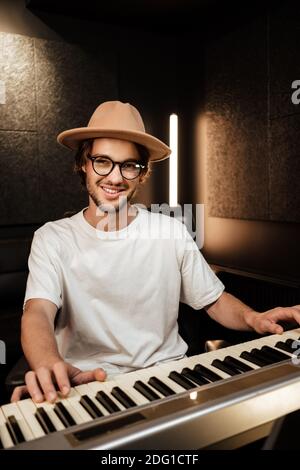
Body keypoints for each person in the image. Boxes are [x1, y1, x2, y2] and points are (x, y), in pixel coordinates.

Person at [11, 101, 300, 403]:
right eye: (102, 161)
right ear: (83, 163)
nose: (115, 177)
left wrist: (254, 317)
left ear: (141, 173)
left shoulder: (170, 231)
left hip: (169, 378)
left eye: (128, 165)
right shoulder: (52, 238)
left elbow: (213, 299)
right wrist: (47, 364)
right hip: (85, 384)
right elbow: (38, 313)